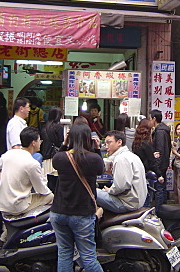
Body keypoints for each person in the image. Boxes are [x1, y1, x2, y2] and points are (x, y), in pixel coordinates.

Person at [50, 123, 104, 272]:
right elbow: (101, 169)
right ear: (89, 138)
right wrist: (97, 148)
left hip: (59, 212)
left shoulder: (60, 157)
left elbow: (55, 162)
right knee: (88, 256)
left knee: (64, 253)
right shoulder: (93, 158)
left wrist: (64, 144)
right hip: (82, 215)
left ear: (70, 137)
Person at [0, 127, 54, 218]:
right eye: (39, 140)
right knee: (50, 197)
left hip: (2, 204)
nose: (40, 143)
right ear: (33, 143)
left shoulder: (9, 153)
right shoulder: (32, 163)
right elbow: (41, 190)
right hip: (18, 206)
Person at [96, 130, 147, 213]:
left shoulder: (121, 159)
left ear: (119, 142)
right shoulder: (130, 155)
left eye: (109, 143)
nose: (106, 146)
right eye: (105, 144)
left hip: (126, 204)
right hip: (136, 202)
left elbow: (121, 186)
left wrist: (109, 190)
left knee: (91, 192)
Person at [131, 118, 157, 206]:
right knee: (147, 200)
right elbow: (151, 161)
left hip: (138, 173)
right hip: (147, 173)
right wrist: (159, 174)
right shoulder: (147, 143)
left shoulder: (136, 142)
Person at [149, 109, 171, 209]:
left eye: (150, 118)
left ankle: (160, 211)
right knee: (161, 187)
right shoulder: (163, 130)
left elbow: (159, 149)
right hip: (163, 163)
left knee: (159, 188)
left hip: (160, 164)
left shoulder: (160, 132)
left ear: (154, 119)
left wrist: (156, 166)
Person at [41, 107, 65, 192]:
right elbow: (60, 142)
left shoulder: (44, 127)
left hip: (46, 156)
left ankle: (51, 198)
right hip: (55, 156)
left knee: (50, 180)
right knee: (57, 181)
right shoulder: (59, 128)